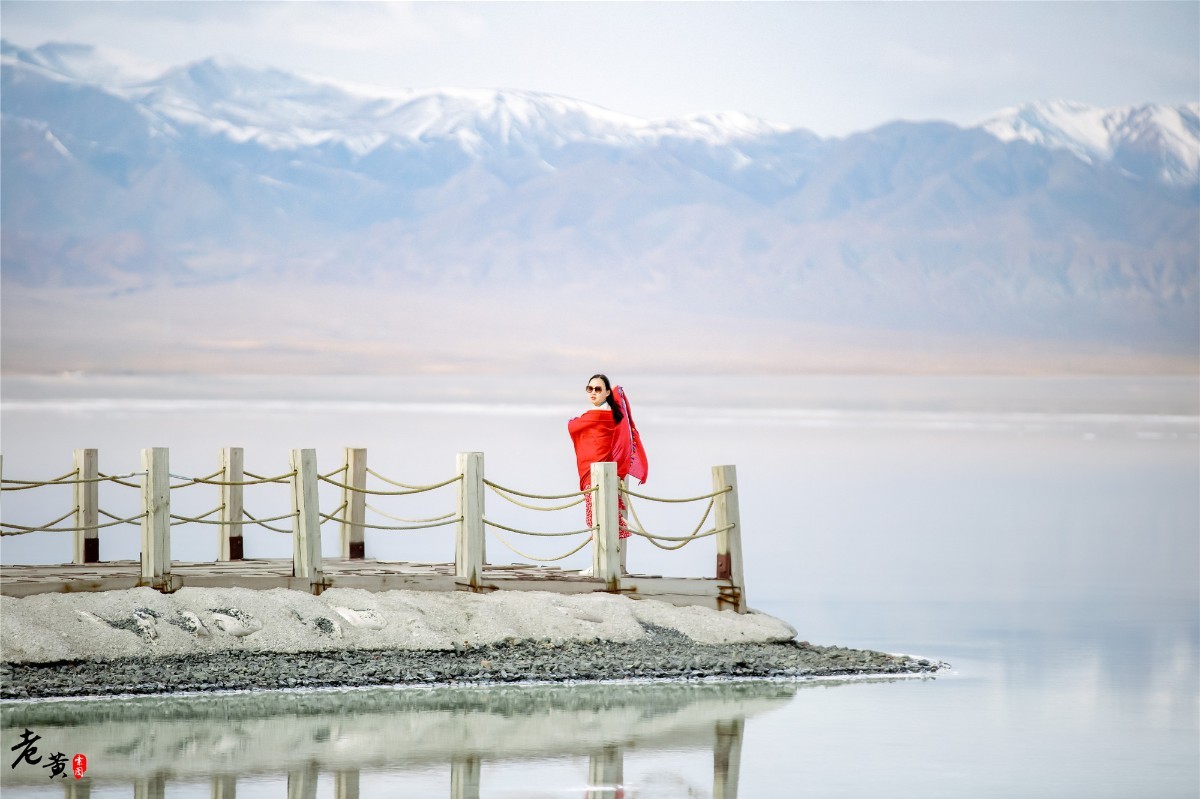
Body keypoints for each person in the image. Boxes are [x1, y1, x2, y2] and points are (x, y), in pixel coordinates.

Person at [567, 374, 648, 568]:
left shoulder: (598, 415)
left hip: (598, 474)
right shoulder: (611, 414)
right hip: (604, 473)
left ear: (607, 393)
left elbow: (572, 425)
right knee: (604, 518)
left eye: (598, 389)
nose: (593, 393)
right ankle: (608, 564)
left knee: (598, 520)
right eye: (590, 389)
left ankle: (602, 566)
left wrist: (575, 421)